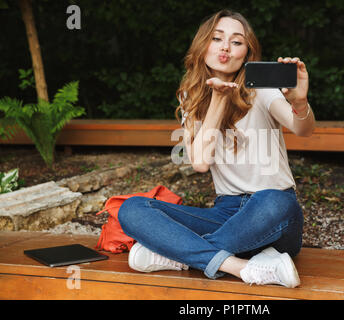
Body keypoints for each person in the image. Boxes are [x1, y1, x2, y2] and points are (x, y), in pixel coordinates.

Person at [118, 9, 315, 288]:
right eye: (217, 38)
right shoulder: (192, 96)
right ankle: (240, 266)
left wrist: (300, 102)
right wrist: (219, 99)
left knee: (275, 201)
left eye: (236, 42)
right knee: (133, 208)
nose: (225, 47)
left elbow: (303, 129)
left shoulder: (260, 88)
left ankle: (180, 256)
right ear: (203, 46)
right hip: (227, 213)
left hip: (274, 214)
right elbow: (199, 162)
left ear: (246, 53)